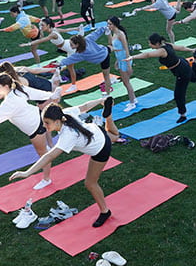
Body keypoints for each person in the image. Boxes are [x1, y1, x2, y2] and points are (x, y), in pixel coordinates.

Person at [9, 97, 121, 227]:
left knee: (90, 183)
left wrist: (27, 172)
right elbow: (85, 106)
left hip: (101, 148)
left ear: (57, 121)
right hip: (96, 131)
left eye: (47, 123)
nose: (44, 126)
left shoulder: (68, 135)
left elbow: (49, 156)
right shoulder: (65, 114)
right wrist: (101, 100)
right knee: (114, 136)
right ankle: (108, 116)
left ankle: (105, 211)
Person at [124, 34, 196, 123]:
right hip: (183, 63)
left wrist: (133, 57)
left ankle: (182, 115)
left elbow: (148, 54)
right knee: (194, 79)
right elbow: (180, 48)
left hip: (181, 71)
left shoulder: (162, 51)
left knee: (179, 95)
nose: (149, 45)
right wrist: (192, 50)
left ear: (156, 44)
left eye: (150, 44)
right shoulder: (166, 44)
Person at [20, 17, 78, 92]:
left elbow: (42, 40)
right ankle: (59, 78)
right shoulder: (54, 30)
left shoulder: (53, 34)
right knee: (60, 65)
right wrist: (76, 28)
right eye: (40, 25)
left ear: (48, 25)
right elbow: (65, 30)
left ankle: (73, 85)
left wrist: (28, 44)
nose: (40, 27)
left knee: (70, 68)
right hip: (67, 46)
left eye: (42, 25)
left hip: (70, 49)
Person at [58, 27, 114, 95]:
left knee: (106, 77)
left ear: (77, 44)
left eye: (71, 45)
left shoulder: (81, 54)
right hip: (104, 52)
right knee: (111, 47)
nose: (70, 46)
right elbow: (96, 33)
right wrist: (104, 28)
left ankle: (107, 95)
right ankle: (107, 94)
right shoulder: (87, 39)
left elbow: (69, 59)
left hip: (103, 56)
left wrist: (59, 63)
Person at [106, 16, 137, 111]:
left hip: (125, 60)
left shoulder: (120, 34)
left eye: (110, 24)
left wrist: (128, 64)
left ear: (114, 24)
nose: (108, 26)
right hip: (120, 60)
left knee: (126, 83)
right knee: (125, 82)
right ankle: (134, 99)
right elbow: (111, 45)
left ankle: (132, 103)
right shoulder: (114, 34)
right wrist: (117, 61)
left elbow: (126, 48)